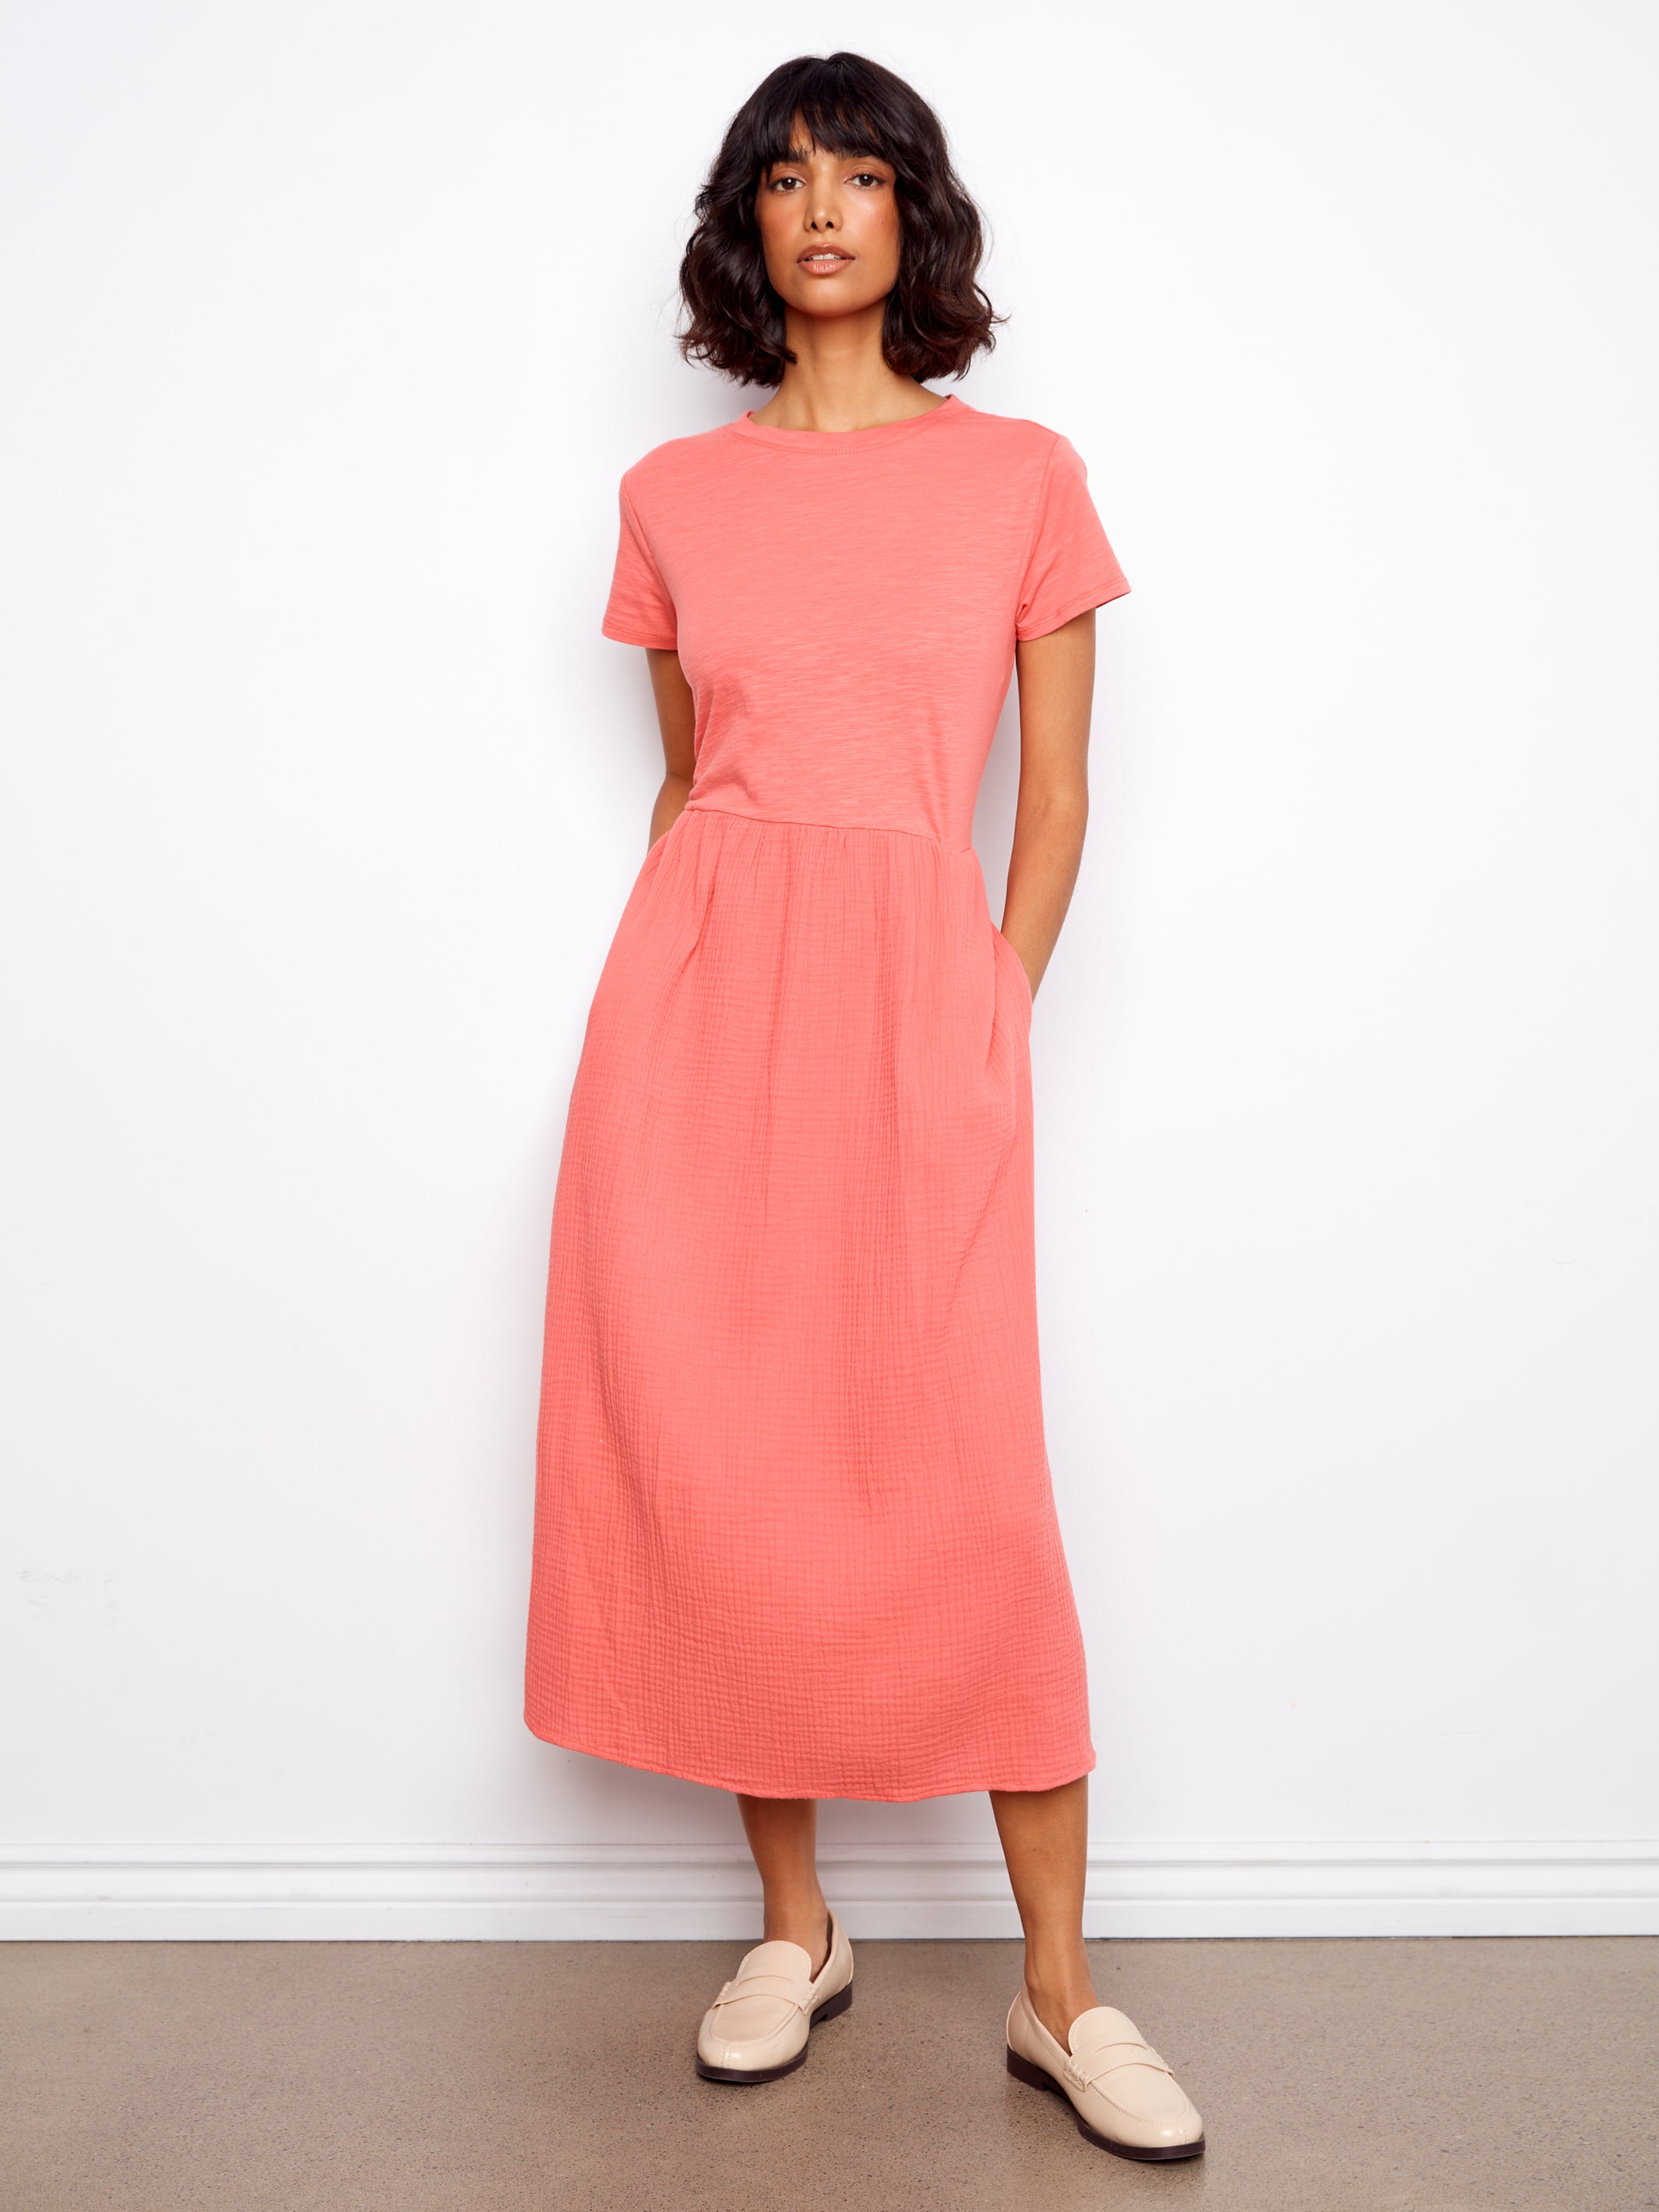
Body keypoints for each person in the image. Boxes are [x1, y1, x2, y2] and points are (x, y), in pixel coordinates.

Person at [524, 51, 1203, 2162]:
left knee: (962, 1482)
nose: (823, 207)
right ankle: (794, 1928)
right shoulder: (673, 499)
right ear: (748, 226)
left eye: (863, 174)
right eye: (785, 177)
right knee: (727, 1464)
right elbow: (689, 780)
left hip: (915, 1009)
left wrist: (983, 1009)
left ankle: (1058, 1995)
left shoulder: (1019, 479)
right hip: (695, 1017)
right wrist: (671, 1009)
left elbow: (1057, 790)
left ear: (917, 215)